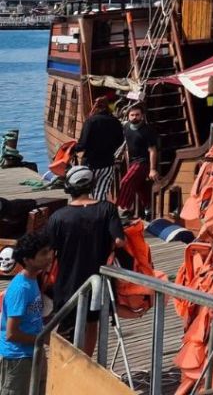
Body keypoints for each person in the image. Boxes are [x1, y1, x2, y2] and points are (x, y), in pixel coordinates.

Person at [45, 165, 125, 356]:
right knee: (91, 322)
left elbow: (49, 253)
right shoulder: (107, 209)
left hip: (68, 279)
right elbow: (120, 241)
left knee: (64, 322)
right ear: (92, 185)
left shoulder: (58, 217)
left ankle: (62, 360)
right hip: (98, 278)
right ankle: (86, 359)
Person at [0, 233, 53, 395]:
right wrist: (41, 339)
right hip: (18, 358)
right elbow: (11, 333)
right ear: (28, 260)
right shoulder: (21, 289)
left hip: (34, 352)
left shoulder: (32, 280)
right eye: (43, 253)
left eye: (49, 251)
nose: (49, 257)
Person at [74, 97, 123, 202]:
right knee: (101, 192)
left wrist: (72, 149)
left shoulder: (90, 121)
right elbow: (120, 141)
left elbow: (83, 144)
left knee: (87, 191)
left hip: (90, 163)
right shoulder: (115, 121)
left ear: (95, 107)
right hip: (108, 163)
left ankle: (90, 213)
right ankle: (99, 214)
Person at [117, 105, 160, 219]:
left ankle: (122, 208)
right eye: (132, 115)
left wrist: (152, 169)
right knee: (140, 188)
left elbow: (152, 150)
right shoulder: (126, 127)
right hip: (132, 161)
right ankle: (148, 209)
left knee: (126, 182)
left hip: (143, 162)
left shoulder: (147, 130)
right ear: (128, 116)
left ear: (142, 116)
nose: (135, 117)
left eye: (137, 115)